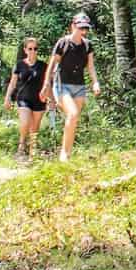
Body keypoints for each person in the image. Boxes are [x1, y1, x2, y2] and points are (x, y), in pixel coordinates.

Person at [40, 11, 100, 162]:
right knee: (72, 114)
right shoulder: (63, 43)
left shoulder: (87, 45)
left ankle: (67, 152)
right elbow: (52, 64)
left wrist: (95, 82)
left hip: (79, 86)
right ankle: (64, 155)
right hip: (62, 85)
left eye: (85, 28)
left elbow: (90, 66)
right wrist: (46, 84)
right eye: (80, 28)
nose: (83, 31)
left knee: (73, 119)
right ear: (73, 26)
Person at [2, 38, 48, 161]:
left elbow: (48, 83)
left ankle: (33, 149)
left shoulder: (43, 66)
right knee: (25, 122)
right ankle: (21, 146)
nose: (33, 51)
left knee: (35, 127)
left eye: (35, 49)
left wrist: (52, 100)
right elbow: (12, 83)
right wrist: (7, 98)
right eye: (30, 48)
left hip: (39, 100)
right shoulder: (19, 65)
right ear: (25, 50)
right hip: (23, 99)